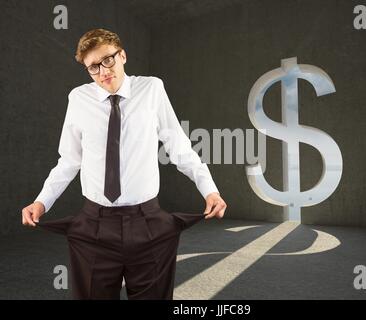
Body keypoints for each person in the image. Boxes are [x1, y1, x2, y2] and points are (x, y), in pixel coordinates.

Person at [21, 28, 227, 300]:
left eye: (108, 60)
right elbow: (69, 160)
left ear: (123, 55)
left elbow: (178, 146)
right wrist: (41, 201)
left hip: (148, 223)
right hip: (95, 226)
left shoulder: (152, 88)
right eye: (93, 67)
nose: (103, 71)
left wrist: (209, 189)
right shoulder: (78, 99)